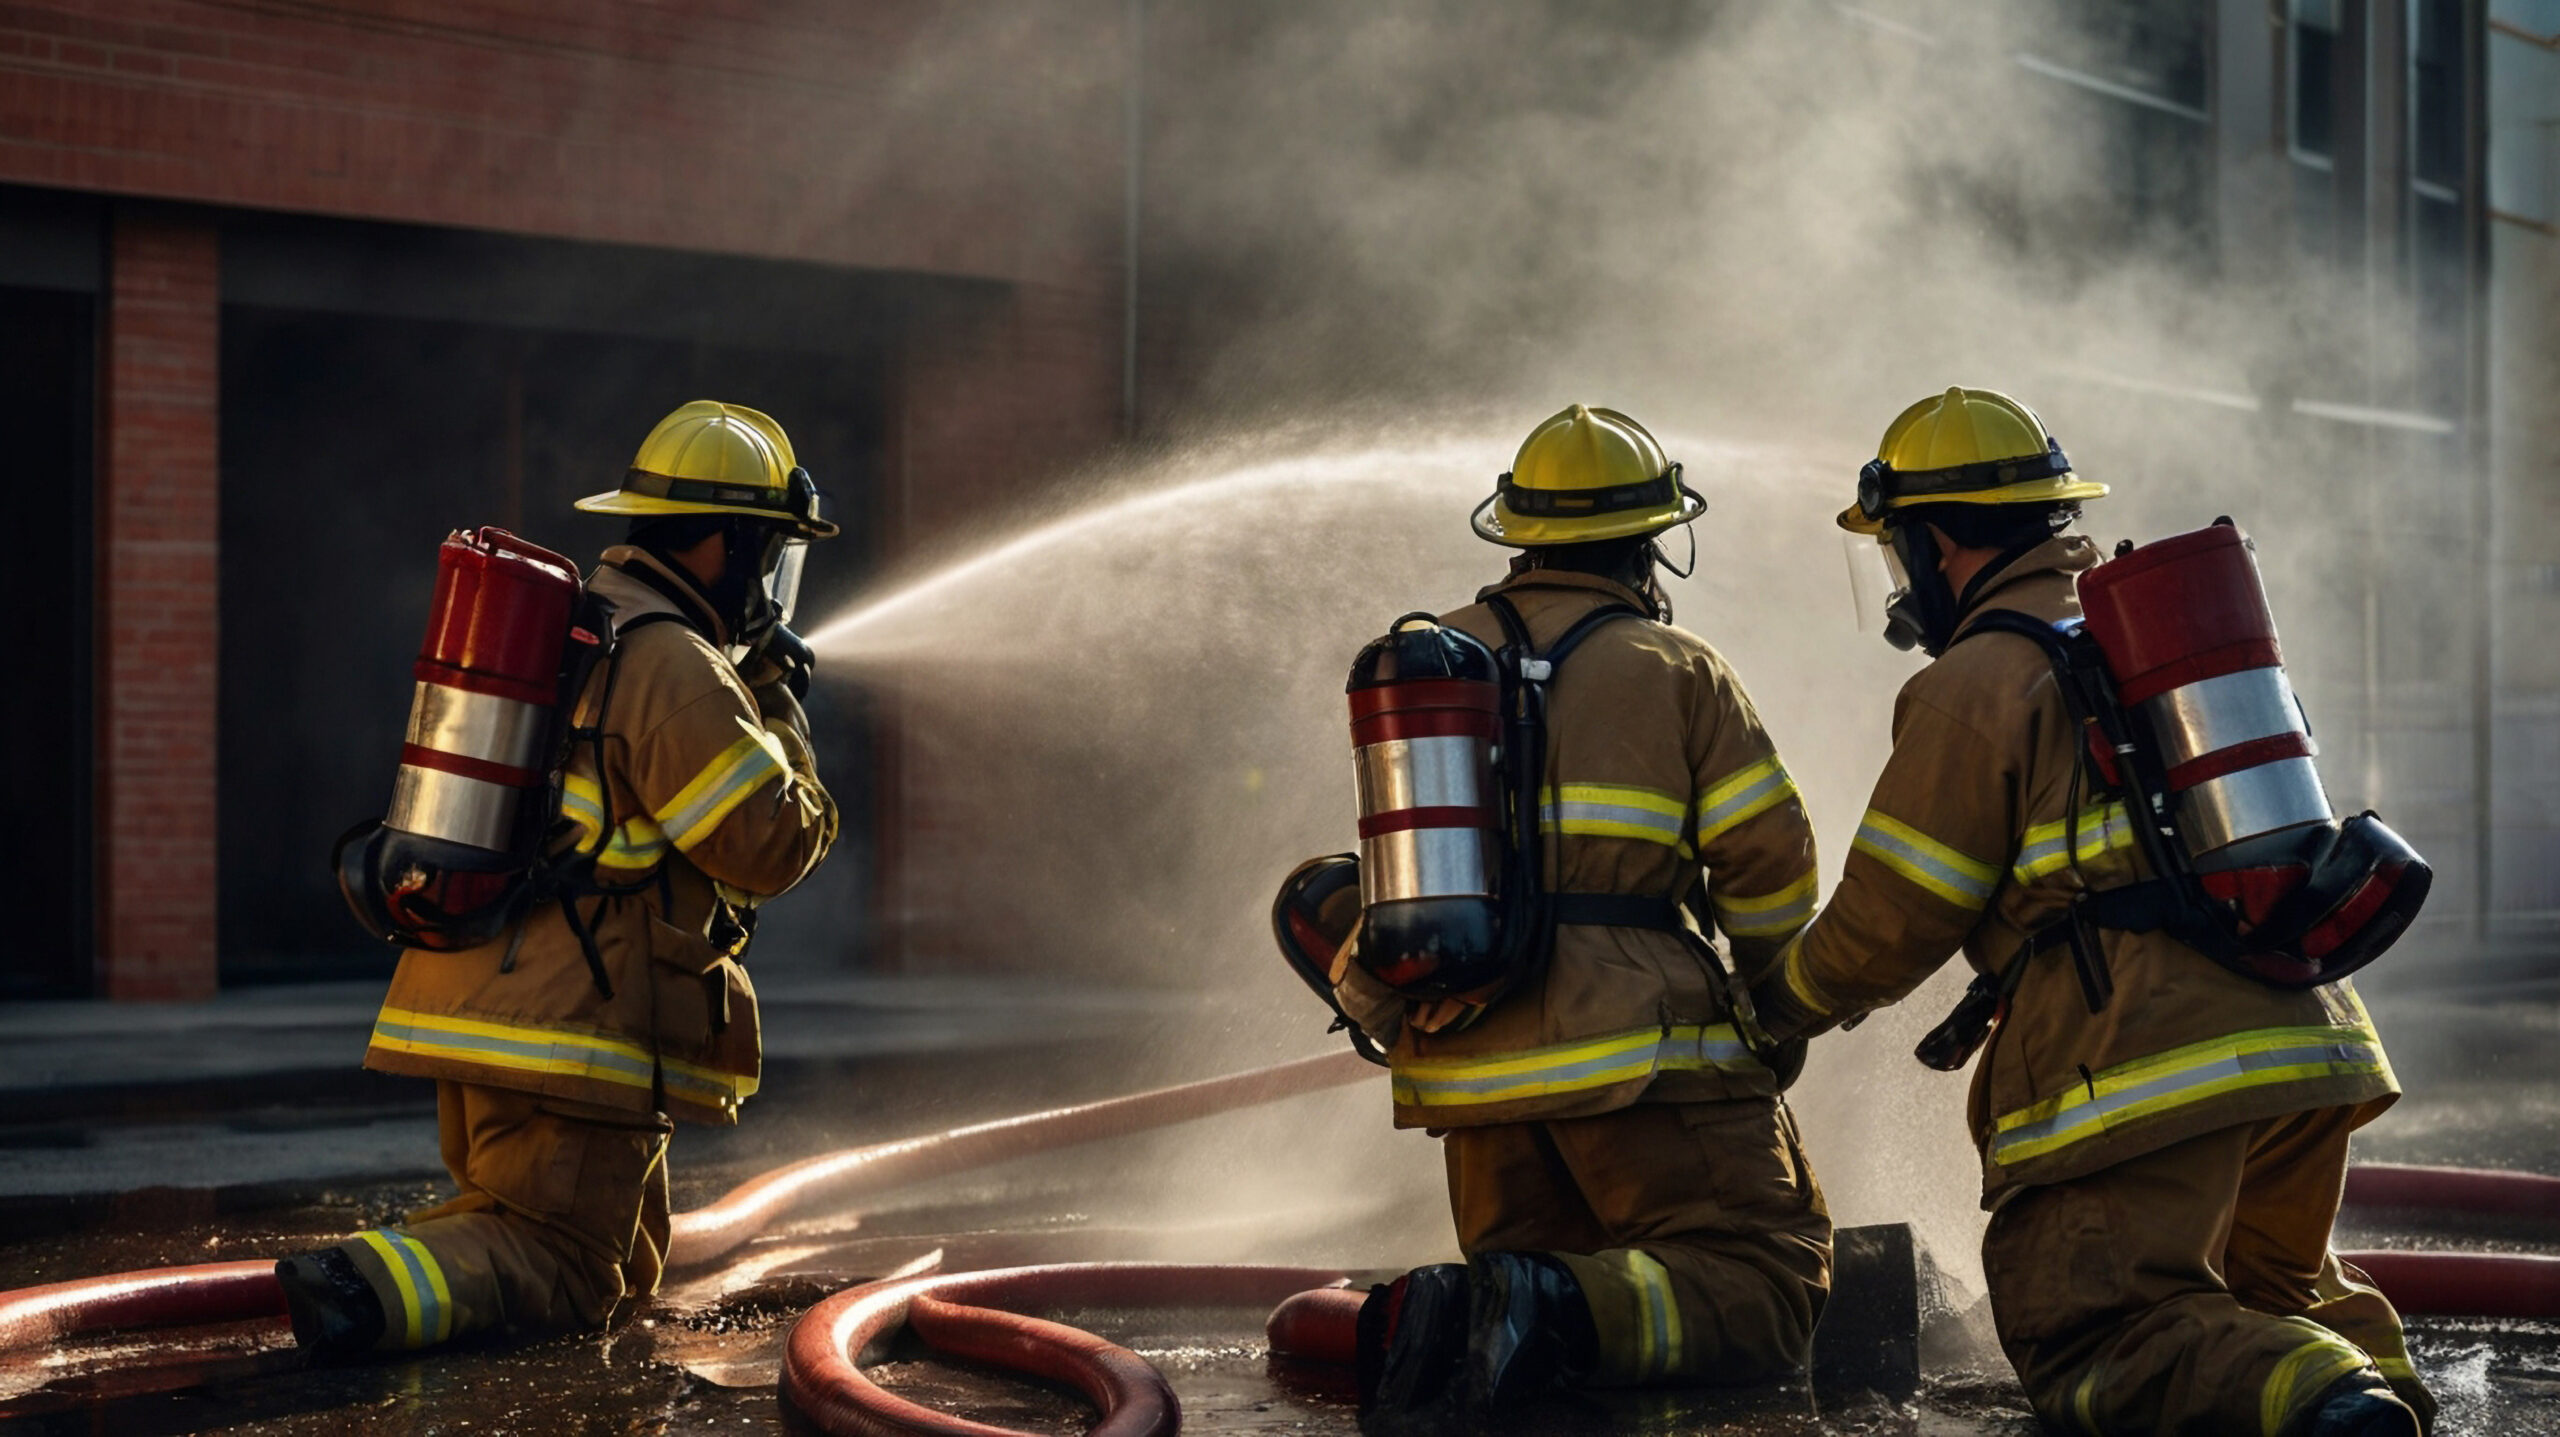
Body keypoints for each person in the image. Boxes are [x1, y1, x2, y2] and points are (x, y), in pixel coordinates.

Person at [1745, 386, 2432, 1436]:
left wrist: (1776, 1005)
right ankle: (2388, 1401)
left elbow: (1898, 910)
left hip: (2144, 1072)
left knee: (2103, 1336)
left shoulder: (1981, 677)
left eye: (1898, 554)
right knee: (2272, 1297)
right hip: (2306, 1041)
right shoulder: (2146, 641)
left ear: (1936, 543)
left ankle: (2338, 1410)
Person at [275, 400, 840, 1356]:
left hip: (488, 998)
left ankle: (378, 1287)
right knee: (569, 1263)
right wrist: (781, 708)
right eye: (772, 555)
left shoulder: (598, 626)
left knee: (614, 1260)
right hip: (568, 1030)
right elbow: (769, 842)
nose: (774, 588)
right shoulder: (673, 662)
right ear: (729, 548)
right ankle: (359, 1287)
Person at [1325, 404, 1832, 1428]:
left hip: (1466, 1057)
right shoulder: (1674, 667)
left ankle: (1489, 1302)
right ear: (1650, 542)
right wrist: (1777, 1011)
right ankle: (1531, 1302)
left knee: (1537, 1361)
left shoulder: (1434, 664)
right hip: (1638, 1051)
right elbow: (1769, 865)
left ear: (1517, 534)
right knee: (1763, 1285)